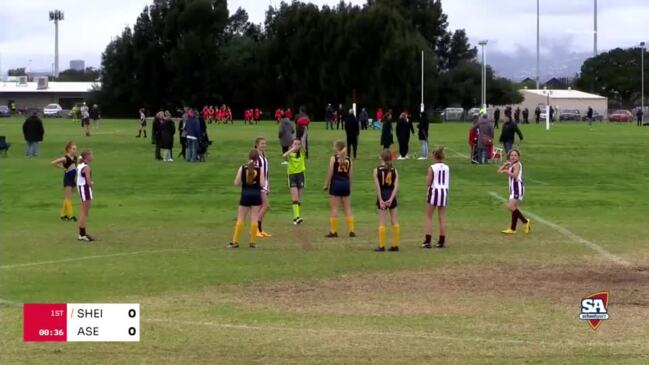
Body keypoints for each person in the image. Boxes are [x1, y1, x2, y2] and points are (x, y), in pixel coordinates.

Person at [228, 149, 265, 249]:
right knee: (254, 218)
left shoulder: (243, 168)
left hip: (245, 195)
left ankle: (235, 241)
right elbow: (262, 184)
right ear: (257, 159)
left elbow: (236, 183)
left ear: (248, 157)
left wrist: (244, 182)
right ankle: (252, 242)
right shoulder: (259, 169)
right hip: (256, 195)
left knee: (240, 218)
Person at [323, 140, 355, 238]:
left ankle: (333, 231)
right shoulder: (349, 159)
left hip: (336, 184)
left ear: (337, 148)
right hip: (345, 184)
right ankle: (351, 230)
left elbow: (330, 173)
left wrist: (326, 184)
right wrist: (349, 186)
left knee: (335, 208)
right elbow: (350, 175)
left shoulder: (334, 158)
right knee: (347, 208)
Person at [498, 149, 531, 235]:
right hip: (513, 189)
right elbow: (498, 171)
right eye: (512, 155)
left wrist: (506, 171)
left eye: (515, 155)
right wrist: (505, 165)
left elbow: (515, 175)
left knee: (510, 206)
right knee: (513, 208)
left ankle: (525, 222)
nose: (513, 157)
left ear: (518, 157)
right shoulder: (511, 164)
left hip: (517, 188)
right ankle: (513, 228)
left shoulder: (517, 165)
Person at [422, 147, 449, 249]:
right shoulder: (447, 167)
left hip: (434, 192)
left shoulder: (432, 168)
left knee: (428, 216)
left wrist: (426, 178)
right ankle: (442, 241)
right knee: (442, 217)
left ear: (434, 156)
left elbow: (428, 183)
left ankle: (427, 241)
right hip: (444, 192)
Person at [373, 150, 400, 252]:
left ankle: (381, 245)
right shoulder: (395, 170)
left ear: (382, 158)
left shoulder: (376, 170)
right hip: (391, 196)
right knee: (394, 220)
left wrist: (381, 200)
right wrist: (391, 199)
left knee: (382, 221)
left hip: (383, 195)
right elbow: (396, 187)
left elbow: (378, 187)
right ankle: (395, 245)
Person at [51, 142, 77, 222]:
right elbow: (53, 163)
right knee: (68, 198)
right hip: (68, 179)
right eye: (73, 149)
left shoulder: (75, 158)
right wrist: (62, 168)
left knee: (67, 197)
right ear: (69, 149)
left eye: (75, 149)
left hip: (73, 179)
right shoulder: (65, 158)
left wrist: (76, 180)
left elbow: (75, 169)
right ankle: (70, 215)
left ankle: (63, 215)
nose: (75, 150)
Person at [283, 139, 306, 224]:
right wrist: (292, 149)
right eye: (295, 144)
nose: (296, 145)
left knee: (299, 199)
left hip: (301, 176)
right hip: (292, 176)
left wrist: (300, 145)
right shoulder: (290, 154)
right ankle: (296, 217)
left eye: (298, 144)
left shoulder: (302, 154)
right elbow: (284, 155)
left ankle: (297, 217)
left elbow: (304, 148)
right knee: (295, 198)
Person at [255, 137, 272, 238]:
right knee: (266, 206)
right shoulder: (256, 156)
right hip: (259, 185)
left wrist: (268, 184)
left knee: (262, 207)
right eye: (262, 144)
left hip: (264, 184)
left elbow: (266, 171)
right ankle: (255, 228)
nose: (264, 145)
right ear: (256, 144)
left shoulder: (264, 155)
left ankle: (260, 229)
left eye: (265, 144)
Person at [77, 149, 95, 242]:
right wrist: (92, 184)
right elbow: (88, 181)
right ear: (87, 156)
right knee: (84, 212)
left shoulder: (80, 165)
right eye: (91, 154)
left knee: (84, 212)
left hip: (82, 189)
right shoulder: (86, 167)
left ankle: (82, 232)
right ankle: (82, 234)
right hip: (85, 189)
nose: (92, 156)